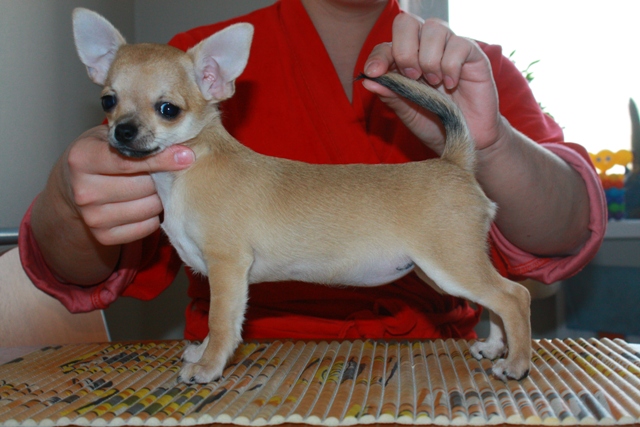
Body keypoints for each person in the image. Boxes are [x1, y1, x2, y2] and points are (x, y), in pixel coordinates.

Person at [20, 0, 606, 341]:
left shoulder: (474, 67)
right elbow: (102, 266)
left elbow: (569, 230)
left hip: (433, 371)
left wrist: (493, 143)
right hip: (243, 380)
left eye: (165, 110)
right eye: (114, 102)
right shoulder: (174, 66)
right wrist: (68, 204)